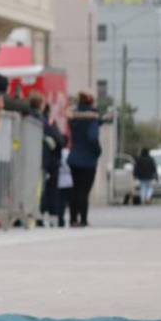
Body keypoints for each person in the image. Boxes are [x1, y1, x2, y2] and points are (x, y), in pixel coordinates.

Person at [66, 92, 102, 227]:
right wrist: (98, 151)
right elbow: (93, 137)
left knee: (75, 188)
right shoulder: (92, 118)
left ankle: (73, 218)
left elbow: (69, 113)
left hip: (74, 157)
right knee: (84, 190)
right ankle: (83, 219)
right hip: (88, 159)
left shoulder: (74, 116)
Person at [31, 93, 65, 225]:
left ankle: (37, 215)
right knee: (42, 189)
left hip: (39, 160)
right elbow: (60, 140)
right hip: (44, 160)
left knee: (39, 188)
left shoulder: (32, 118)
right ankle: (38, 215)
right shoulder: (46, 122)